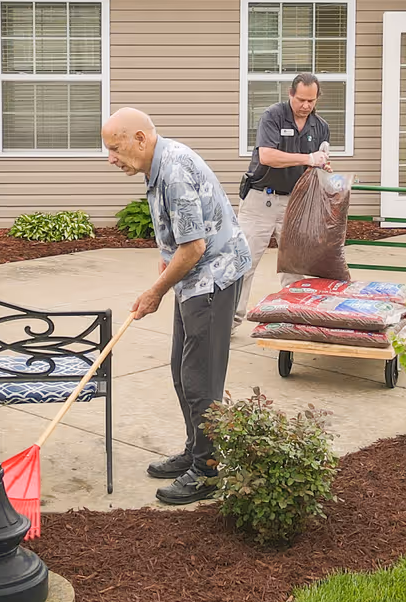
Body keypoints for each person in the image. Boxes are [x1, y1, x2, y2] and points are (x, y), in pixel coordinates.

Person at [102, 107, 252, 505]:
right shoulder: (156, 167)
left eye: (115, 148)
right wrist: (166, 265)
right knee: (182, 370)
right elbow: (179, 241)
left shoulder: (174, 173)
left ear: (139, 138)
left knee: (200, 377)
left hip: (213, 278)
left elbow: (195, 246)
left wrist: (156, 291)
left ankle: (208, 470)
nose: (111, 158)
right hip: (193, 278)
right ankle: (196, 449)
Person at [233, 72, 333, 325]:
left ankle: (294, 320)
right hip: (260, 200)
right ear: (290, 94)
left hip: (295, 203)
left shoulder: (320, 127)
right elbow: (267, 156)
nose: (305, 106)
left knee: (295, 268)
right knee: (243, 263)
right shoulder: (273, 116)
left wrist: (320, 165)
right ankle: (228, 322)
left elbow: (316, 165)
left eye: (311, 101)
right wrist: (307, 158)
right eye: (301, 99)